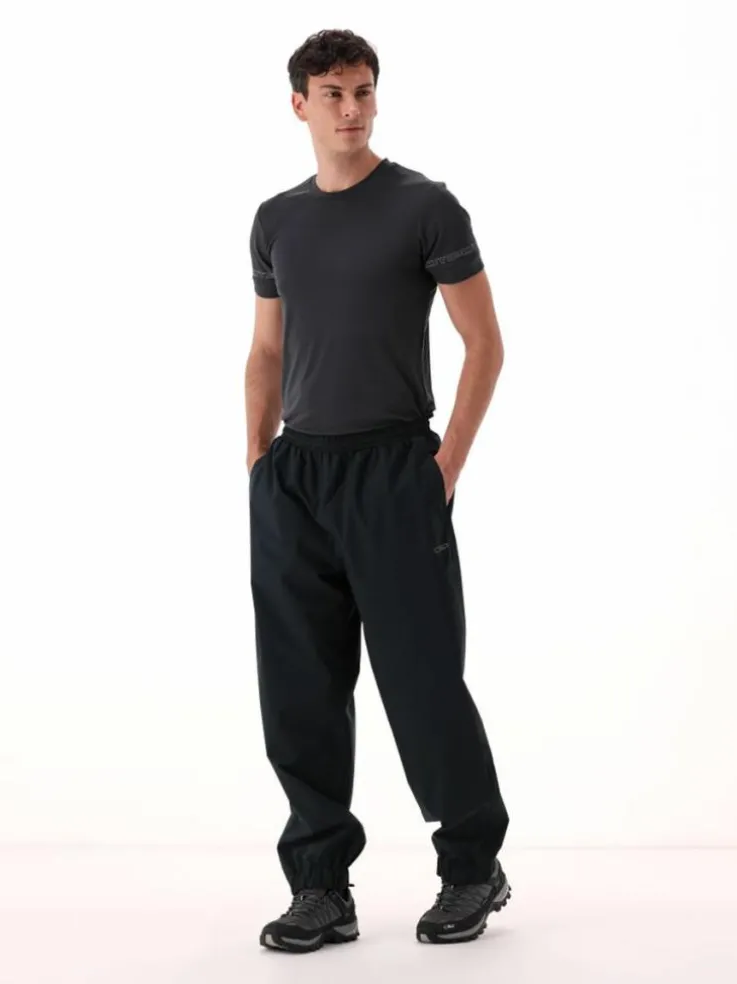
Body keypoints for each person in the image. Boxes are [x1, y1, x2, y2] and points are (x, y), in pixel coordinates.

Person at [245, 28, 510, 953]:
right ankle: (320, 888)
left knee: (422, 680)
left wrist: (445, 466)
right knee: (301, 692)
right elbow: (267, 349)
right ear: (300, 105)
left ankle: (472, 867)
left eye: (362, 91)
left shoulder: (424, 207)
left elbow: (486, 344)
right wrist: (259, 462)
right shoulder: (276, 220)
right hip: (297, 478)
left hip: (395, 471)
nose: (351, 108)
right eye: (333, 93)